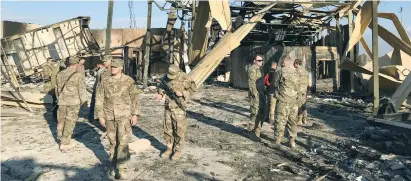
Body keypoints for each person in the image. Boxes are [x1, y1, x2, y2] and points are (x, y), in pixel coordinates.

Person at [95, 58, 140, 179]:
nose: (112, 68)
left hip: (124, 116)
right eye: (111, 66)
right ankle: (113, 163)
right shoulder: (105, 81)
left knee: (123, 142)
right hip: (109, 116)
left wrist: (135, 114)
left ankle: (122, 168)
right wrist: (100, 116)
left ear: (121, 68)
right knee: (113, 142)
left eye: (115, 67)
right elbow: (99, 98)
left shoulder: (128, 81)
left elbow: (135, 98)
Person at [155, 64, 195, 160]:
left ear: (178, 72)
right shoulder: (166, 76)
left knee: (179, 130)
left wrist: (183, 93)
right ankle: (169, 148)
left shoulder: (185, 77)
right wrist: (160, 94)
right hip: (168, 107)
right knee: (167, 129)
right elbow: (162, 86)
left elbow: (193, 89)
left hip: (179, 108)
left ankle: (178, 150)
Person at [55, 56, 87, 151]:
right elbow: (81, 89)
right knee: (70, 121)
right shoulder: (78, 75)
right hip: (73, 101)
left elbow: (57, 89)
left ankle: (60, 137)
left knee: (61, 120)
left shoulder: (60, 74)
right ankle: (66, 142)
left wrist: (59, 98)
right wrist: (83, 101)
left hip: (62, 100)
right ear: (77, 64)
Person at [272, 55, 299, 148]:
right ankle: (292, 141)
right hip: (294, 101)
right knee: (292, 121)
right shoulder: (296, 72)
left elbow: (275, 83)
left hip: (283, 100)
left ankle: (277, 142)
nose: (281, 64)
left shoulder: (280, 71)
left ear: (284, 62)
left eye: (281, 62)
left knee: (280, 120)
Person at [247, 54, 266, 139]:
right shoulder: (252, 70)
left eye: (261, 60)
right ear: (254, 61)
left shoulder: (259, 70)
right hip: (256, 95)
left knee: (261, 113)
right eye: (259, 60)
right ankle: (250, 132)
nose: (261, 62)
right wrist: (254, 94)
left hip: (261, 93)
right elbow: (251, 83)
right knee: (254, 113)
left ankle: (257, 130)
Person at [294, 59, 309, 125]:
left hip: (298, 90)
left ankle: (299, 119)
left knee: (298, 105)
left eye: (294, 64)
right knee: (304, 105)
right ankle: (305, 119)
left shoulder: (296, 71)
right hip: (304, 90)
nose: (293, 65)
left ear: (297, 64)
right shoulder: (306, 71)